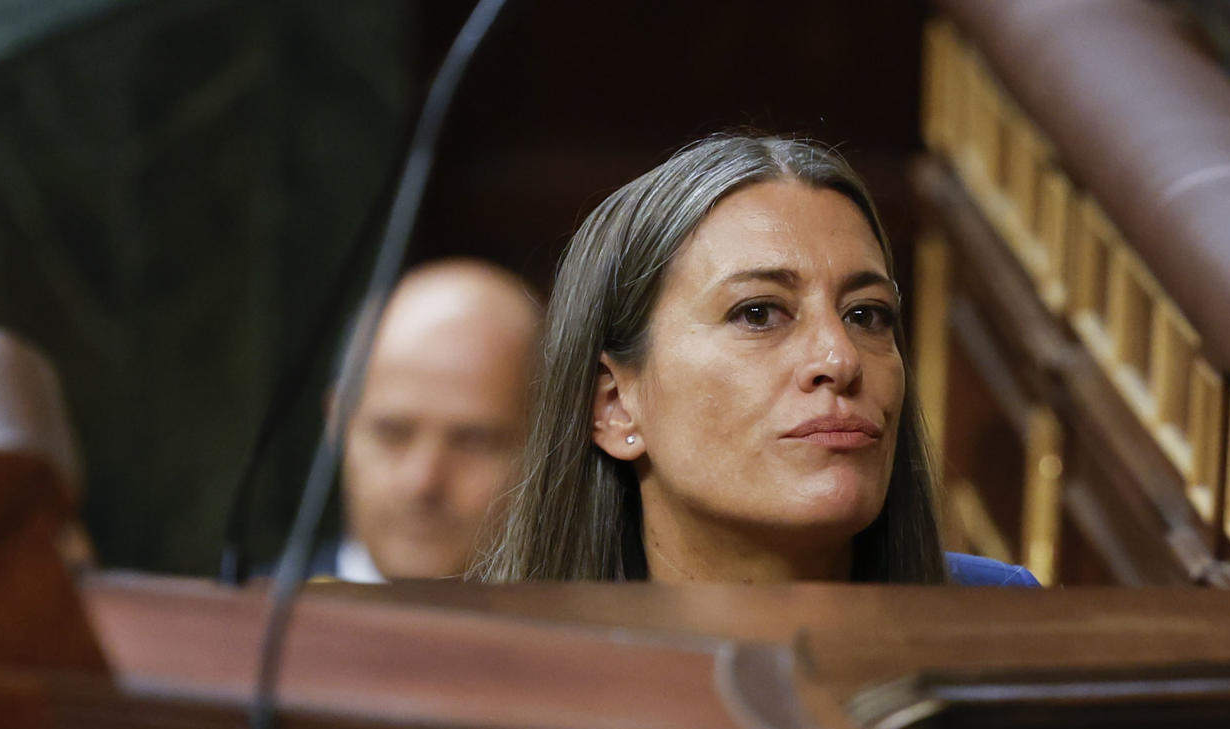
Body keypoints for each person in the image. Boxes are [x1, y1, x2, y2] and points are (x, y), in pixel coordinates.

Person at [477, 134, 1036, 586]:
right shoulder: (502, 678)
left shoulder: (999, 623)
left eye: (867, 315)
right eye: (759, 313)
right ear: (615, 405)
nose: (840, 359)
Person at [330, 259, 541, 582]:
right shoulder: (243, 625)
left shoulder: (593, 628)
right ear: (338, 424)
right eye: (392, 434)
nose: (422, 482)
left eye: (473, 442)